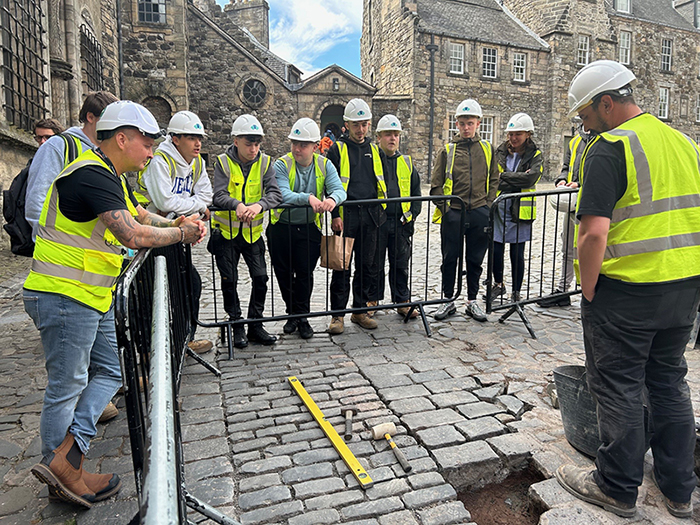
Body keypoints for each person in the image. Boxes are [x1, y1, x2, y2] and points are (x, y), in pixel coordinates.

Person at [25, 100, 206, 508]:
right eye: (146, 142)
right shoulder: (90, 173)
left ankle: (69, 455)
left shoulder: (111, 176)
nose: (151, 151)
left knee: (111, 371)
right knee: (66, 386)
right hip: (64, 295)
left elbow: (141, 215)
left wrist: (177, 223)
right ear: (121, 138)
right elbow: (132, 234)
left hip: (91, 294)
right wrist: (180, 236)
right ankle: (61, 469)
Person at [556, 60, 700, 520]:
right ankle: (679, 489)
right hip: (683, 289)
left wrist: (588, 288)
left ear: (606, 103)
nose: (583, 124)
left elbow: (593, 234)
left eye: (584, 115)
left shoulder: (609, 148)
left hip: (627, 291)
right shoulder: (684, 143)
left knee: (617, 387)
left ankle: (616, 486)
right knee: (668, 382)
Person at [138, 110, 214, 354]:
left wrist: (197, 204)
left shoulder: (198, 161)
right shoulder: (160, 160)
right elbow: (165, 201)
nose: (198, 143)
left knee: (189, 284)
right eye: (191, 137)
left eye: (199, 137)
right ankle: (154, 350)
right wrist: (198, 205)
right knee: (155, 293)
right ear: (175, 138)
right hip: (152, 234)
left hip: (174, 232)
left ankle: (184, 338)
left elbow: (206, 195)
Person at [268, 118, 346, 339]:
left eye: (303, 144)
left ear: (315, 146)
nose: (297, 148)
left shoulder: (324, 164)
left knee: (304, 274)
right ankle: (292, 313)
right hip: (282, 228)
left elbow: (339, 189)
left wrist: (332, 200)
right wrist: (309, 198)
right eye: (294, 143)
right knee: (283, 274)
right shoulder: (282, 164)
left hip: (308, 228)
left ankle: (301, 317)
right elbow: (282, 193)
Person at [209, 114, 282, 349]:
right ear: (236, 141)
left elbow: (275, 194)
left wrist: (259, 205)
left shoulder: (265, 162)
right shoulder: (223, 162)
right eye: (249, 143)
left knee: (261, 278)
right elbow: (218, 194)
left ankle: (255, 324)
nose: (254, 149)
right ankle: (236, 324)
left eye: (257, 143)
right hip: (226, 234)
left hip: (252, 234)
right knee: (229, 281)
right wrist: (238, 205)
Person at [430, 98, 498, 322]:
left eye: (470, 123)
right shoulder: (447, 150)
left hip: (479, 210)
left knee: (475, 259)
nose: (466, 127)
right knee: (450, 258)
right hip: (455, 212)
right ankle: (447, 299)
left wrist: (488, 205)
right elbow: (436, 184)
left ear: (478, 123)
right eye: (462, 123)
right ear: (456, 124)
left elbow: (495, 179)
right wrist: (446, 208)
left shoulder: (488, 149)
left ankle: (471, 300)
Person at [326, 98, 387, 334]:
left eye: (364, 124)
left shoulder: (374, 149)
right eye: (356, 125)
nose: (360, 130)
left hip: (370, 216)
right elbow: (330, 186)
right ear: (346, 125)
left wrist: (380, 209)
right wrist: (335, 215)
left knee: (367, 266)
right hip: (346, 215)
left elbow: (379, 182)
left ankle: (359, 310)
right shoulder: (337, 149)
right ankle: (337, 315)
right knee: (341, 267)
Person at [26, 91, 118, 242]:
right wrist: (49, 241)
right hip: (61, 251)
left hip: (97, 251)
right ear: (90, 117)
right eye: (109, 120)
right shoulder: (57, 146)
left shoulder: (109, 151)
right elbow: (37, 201)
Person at [370, 114, 421, 318]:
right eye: (388, 134)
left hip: (400, 223)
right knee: (375, 263)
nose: (392, 138)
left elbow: (416, 195)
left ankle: (402, 300)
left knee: (400, 263)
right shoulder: (372, 161)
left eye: (396, 134)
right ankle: (372, 300)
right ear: (379, 137)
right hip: (377, 222)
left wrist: (410, 216)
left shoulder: (407, 163)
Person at [490, 113, 543, 303]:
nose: (513, 138)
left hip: (520, 209)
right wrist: (516, 177)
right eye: (510, 134)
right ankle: (498, 284)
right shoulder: (500, 151)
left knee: (517, 252)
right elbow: (495, 179)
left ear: (528, 134)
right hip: (499, 207)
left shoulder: (535, 155)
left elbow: (531, 178)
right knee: (496, 248)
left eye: (518, 134)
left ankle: (516, 290)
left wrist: (506, 176)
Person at [537, 118, 590, 308]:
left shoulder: (603, 139)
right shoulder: (575, 141)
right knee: (567, 246)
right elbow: (566, 167)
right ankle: (563, 290)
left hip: (591, 203)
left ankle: (589, 292)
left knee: (590, 248)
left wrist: (581, 185)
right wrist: (561, 180)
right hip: (573, 202)